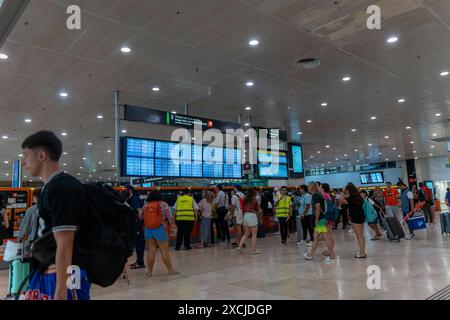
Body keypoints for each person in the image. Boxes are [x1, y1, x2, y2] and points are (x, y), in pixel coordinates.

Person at [21, 130, 89, 300]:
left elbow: (66, 241)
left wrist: (60, 290)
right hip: (46, 271)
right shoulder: (50, 187)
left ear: (42, 155)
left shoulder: (62, 187)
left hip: (63, 276)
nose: (24, 162)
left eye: (26, 156)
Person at [143, 190, 179, 277]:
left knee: (151, 251)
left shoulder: (146, 205)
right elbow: (169, 216)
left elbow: (140, 215)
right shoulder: (163, 204)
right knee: (164, 251)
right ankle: (170, 270)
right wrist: (173, 225)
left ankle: (149, 272)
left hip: (148, 229)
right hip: (159, 228)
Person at [304, 182, 336, 262]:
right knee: (316, 237)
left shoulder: (315, 195)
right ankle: (310, 254)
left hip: (320, 220)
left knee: (326, 237)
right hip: (322, 219)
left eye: (308, 186)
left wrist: (317, 219)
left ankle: (332, 256)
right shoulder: (318, 194)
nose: (307, 187)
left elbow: (318, 207)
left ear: (311, 187)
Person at [340, 183, 366, 258]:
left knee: (359, 236)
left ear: (348, 190)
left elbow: (341, 199)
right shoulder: (357, 196)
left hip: (355, 218)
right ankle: (362, 252)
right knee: (360, 235)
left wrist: (343, 192)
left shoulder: (351, 198)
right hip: (360, 216)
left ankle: (362, 253)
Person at [126, 185, 145, 270]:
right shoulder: (130, 199)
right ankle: (139, 261)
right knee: (137, 244)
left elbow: (139, 210)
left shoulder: (134, 199)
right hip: (134, 225)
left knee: (139, 244)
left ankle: (140, 262)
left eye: (126, 190)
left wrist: (139, 218)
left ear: (130, 191)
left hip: (137, 226)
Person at [238, 188, 261, 254]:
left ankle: (240, 246)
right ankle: (253, 250)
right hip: (252, 216)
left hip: (245, 215)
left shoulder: (244, 199)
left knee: (246, 233)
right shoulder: (254, 199)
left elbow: (242, 207)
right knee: (254, 235)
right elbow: (258, 208)